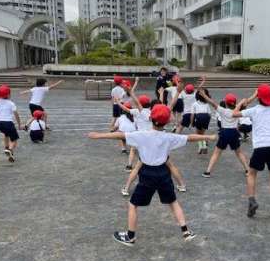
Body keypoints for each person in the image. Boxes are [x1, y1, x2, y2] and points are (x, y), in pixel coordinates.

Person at [88, 104, 217, 245]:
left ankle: (130, 236)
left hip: (147, 174)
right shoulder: (169, 137)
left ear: (150, 118)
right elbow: (189, 137)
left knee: (133, 205)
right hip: (163, 172)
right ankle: (185, 231)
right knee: (173, 202)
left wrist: (99, 135)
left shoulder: (141, 135)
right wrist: (208, 137)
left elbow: (120, 135)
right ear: (167, 121)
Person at [233, 84, 270, 217]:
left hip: (260, 147)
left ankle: (252, 201)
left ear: (259, 97)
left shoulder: (254, 110)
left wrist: (244, 101)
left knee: (251, 174)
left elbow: (234, 114)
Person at [198, 91, 250, 178]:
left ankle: (208, 172)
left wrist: (204, 95)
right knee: (239, 152)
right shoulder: (237, 110)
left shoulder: (222, 110)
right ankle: (247, 170)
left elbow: (212, 103)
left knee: (216, 153)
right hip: (234, 133)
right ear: (235, 102)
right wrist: (242, 101)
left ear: (225, 103)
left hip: (224, 132)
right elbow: (244, 103)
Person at [0, 85, 22, 163]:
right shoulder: (11, 103)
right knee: (14, 139)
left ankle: (6, 147)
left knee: (6, 134)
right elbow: (16, 114)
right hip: (8, 123)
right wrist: (19, 124)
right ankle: (9, 149)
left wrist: (0, 113)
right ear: (9, 94)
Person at [114, 102, 136, 171]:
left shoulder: (120, 117)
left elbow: (115, 127)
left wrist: (112, 130)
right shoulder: (134, 117)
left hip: (124, 135)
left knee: (120, 132)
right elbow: (136, 127)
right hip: (133, 135)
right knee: (133, 148)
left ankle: (123, 149)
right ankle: (132, 148)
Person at [191, 88, 212, 154]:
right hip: (206, 117)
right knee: (202, 133)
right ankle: (204, 146)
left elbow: (192, 115)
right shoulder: (207, 104)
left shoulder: (194, 104)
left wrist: (192, 123)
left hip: (199, 117)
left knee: (198, 134)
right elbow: (210, 114)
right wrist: (208, 121)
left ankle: (200, 147)